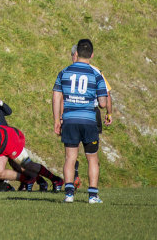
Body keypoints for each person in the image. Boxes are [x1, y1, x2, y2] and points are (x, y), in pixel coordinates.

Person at [53, 38, 108, 204]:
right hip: (89, 120)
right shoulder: (96, 74)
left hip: (69, 119)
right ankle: (92, 196)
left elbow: (56, 96)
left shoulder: (64, 72)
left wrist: (57, 119)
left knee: (70, 157)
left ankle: (69, 194)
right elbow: (103, 103)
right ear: (91, 54)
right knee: (92, 158)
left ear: (76, 54)